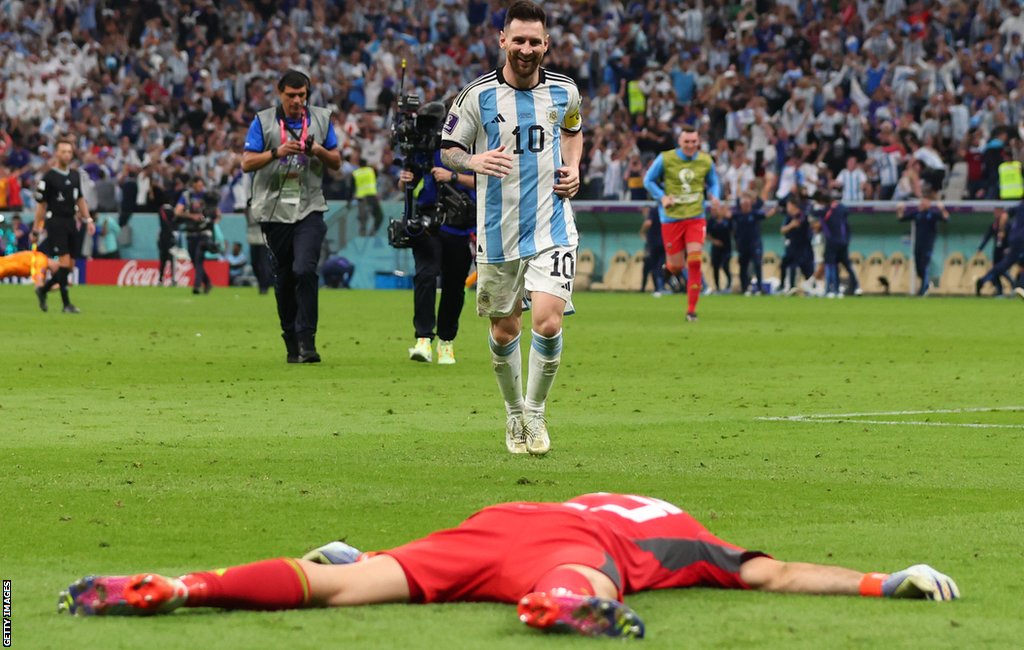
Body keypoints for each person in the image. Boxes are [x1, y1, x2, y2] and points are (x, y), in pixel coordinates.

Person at [58, 492, 960, 641]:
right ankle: (560, 608)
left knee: (340, 582)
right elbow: (780, 573)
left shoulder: (601, 495)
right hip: (565, 551)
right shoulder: (687, 537)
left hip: (490, 527)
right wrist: (887, 578)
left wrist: (372, 548)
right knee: (589, 577)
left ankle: (183, 586)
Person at [440, 1, 583, 455]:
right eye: (517, 40)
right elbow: (448, 149)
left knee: (547, 321)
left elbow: (574, 128)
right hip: (497, 231)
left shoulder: (565, 92)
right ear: (502, 40)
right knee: (505, 331)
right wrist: (474, 160)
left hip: (552, 226)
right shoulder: (476, 96)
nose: (526, 49)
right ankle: (514, 415)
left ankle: (536, 416)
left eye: (534, 41)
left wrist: (574, 166)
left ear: (547, 45)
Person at [242, 69, 342, 363]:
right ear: (280, 93)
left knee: (305, 269)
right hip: (274, 209)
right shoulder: (263, 121)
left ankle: (307, 341)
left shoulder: (322, 119)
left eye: (302, 95)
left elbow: (336, 161)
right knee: (284, 277)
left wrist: (318, 151)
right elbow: (246, 162)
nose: (297, 100)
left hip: (310, 206)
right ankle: (290, 338)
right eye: (291, 95)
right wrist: (277, 152)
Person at [398, 150, 476, 365]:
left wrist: (453, 176)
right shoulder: (423, 146)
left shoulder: (474, 145)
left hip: (461, 224)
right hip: (427, 222)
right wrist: (404, 180)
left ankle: (446, 341)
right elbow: (408, 187)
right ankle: (423, 338)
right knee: (426, 275)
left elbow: (486, 181)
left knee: (454, 285)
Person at [643, 124, 722, 322]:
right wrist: (662, 197)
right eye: (686, 141)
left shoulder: (705, 160)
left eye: (694, 142)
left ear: (698, 142)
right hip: (671, 218)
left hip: (696, 216)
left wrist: (715, 195)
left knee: (695, 260)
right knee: (677, 266)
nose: (690, 145)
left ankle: (691, 310)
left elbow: (714, 182)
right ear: (680, 141)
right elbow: (648, 180)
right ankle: (669, 269)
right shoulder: (666, 158)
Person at [32, 137, 94, 314]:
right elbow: (41, 206)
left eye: (69, 152)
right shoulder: (49, 177)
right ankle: (66, 304)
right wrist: (36, 228)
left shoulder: (75, 176)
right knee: (64, 262)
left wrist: (87, 219)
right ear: (57, 154)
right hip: (55, 222)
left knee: (69, 266)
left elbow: (80, 199)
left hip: (71, 222)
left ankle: (43, 290)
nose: (67, 155)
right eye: (63, 151)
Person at [896, 193, 950, 296]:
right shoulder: (917, 214)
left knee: (924, 266)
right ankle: (926, 284)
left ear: (928, 204)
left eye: (924, 202)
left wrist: (942, 209)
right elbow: (901, 218)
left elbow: (947, 219)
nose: (921, 204)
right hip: (918, 245)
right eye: (921, 202)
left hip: (928, 245)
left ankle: (923, 289)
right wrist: (900, 209)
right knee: (918, 268)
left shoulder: (932, 214)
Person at [174, 176, 217, 295]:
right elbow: (177, 211)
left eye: (201, 185)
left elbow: (216, 212)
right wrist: (192, 216)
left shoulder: (207, 196)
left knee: (198, 257)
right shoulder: (186, 196)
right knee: (194, 260)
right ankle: (207, 282)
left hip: (204, 232)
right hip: (191, 232)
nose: (200, 187)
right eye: (198, 185)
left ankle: (197, 285)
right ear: (193, 185)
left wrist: (211, 219)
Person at [976, 200, 1024, 296]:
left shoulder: (1020, 205)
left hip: (1015, 239)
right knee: (1005, 264)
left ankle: (1019, 285)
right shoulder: (994, 226)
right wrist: (1002, 231)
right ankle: (984, 280)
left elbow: (1005, 215)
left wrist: (1002, 230)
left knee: (1016, 263)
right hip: (1020, 238)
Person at [818, 196, 862, 297]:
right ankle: (838, 289)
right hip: (840, 242)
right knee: (840, 265)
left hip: (835, 243)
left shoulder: (832, 210)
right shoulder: (838, 210)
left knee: (834, 265)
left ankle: (832, 289)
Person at [731, 193, 774, 295]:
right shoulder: (737, 215)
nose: (745, 206)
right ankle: (744, 288)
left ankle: (759, 288)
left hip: (755, 244)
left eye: (747, 203)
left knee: (757, 264)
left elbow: (766, 214)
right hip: (742, 245)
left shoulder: (755, 214)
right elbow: (727, 215)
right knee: (743, 266)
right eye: (743, 204)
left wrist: (774, 210)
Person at [975, 207, 1012, 294]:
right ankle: (1000, 290)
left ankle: (982, 281)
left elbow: (1012, 238)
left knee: (1000, 270)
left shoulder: (1008, 226)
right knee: (997, 271)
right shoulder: (994, 225)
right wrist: (980, 248)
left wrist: (1010, 248)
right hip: (997, 251)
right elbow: (987, 237)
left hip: (1005, 251)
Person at [638, 206, 666, 296]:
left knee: (653, 266)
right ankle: (660, 288)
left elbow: (648, 223)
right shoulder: (667, 210)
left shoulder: (653, 211)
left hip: (654, 244)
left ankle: (658, 288)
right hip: (666, 243)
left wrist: (642, 231)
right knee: (661, 266)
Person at [353, 159, 385, 236]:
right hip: (371, 196)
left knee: (363, 219)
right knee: (379, 216)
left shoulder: (355, 173)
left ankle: (363, 237)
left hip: (361, 198)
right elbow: (377, 175)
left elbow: (351, 186)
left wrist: (350, 198)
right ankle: (371, 234)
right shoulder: (370, 170)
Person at [706, 202, 733, 293]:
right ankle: (717, 287)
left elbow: (733, 230)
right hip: (716, 247)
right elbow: (707, 235)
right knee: (715, 267)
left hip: (727, 247)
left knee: (725, 265)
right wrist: (714, 241)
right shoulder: (711, 221)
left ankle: (729, 284)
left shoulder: (727, 220)